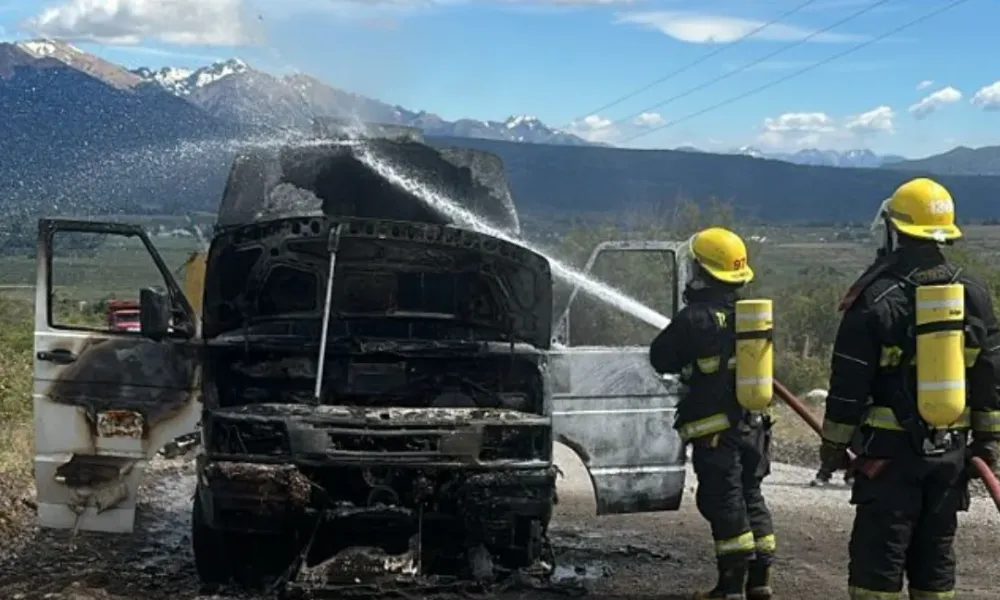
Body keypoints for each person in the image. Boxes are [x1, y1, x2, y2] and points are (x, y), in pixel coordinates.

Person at [817, 177, 1000, 600]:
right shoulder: (973, 292)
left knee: (877, 565)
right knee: (934, 560)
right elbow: (990, 373)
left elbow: (848, 384)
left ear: (894, 229)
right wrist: (988, 443)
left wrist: (833, 446)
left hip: (889, 458)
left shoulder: (875, 297)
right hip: (951, 453)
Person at [649, 226, 774, 600]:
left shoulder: (695, 318)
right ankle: (760, 580)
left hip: (717, 431)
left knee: (723, 501)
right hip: (754, 426)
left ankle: (730, 587)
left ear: (701, 271)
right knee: (750, 495)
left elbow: (660, 357)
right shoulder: (750, 316)